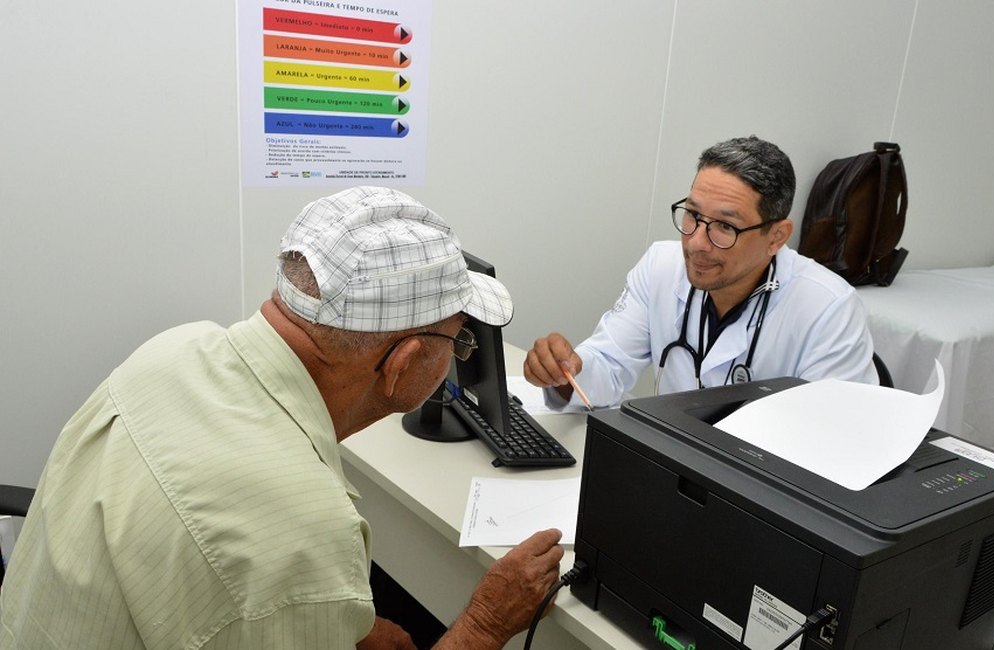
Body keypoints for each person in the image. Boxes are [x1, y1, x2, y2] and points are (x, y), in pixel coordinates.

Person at [0, 187, 564, 650]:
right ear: (403, 362)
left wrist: (344, 629)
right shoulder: (300, 538)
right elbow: (269, 566)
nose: (457, 354)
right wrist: (484, 625)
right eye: (457, 338)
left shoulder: (176, 348)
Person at [525, 135, 877, 408]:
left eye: (725, 227)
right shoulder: (661, 267)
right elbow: (608, 363)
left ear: (776, 236)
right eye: (692, 215)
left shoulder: (828, 308)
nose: (696, 243)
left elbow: (835, 438)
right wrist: (566, 371)